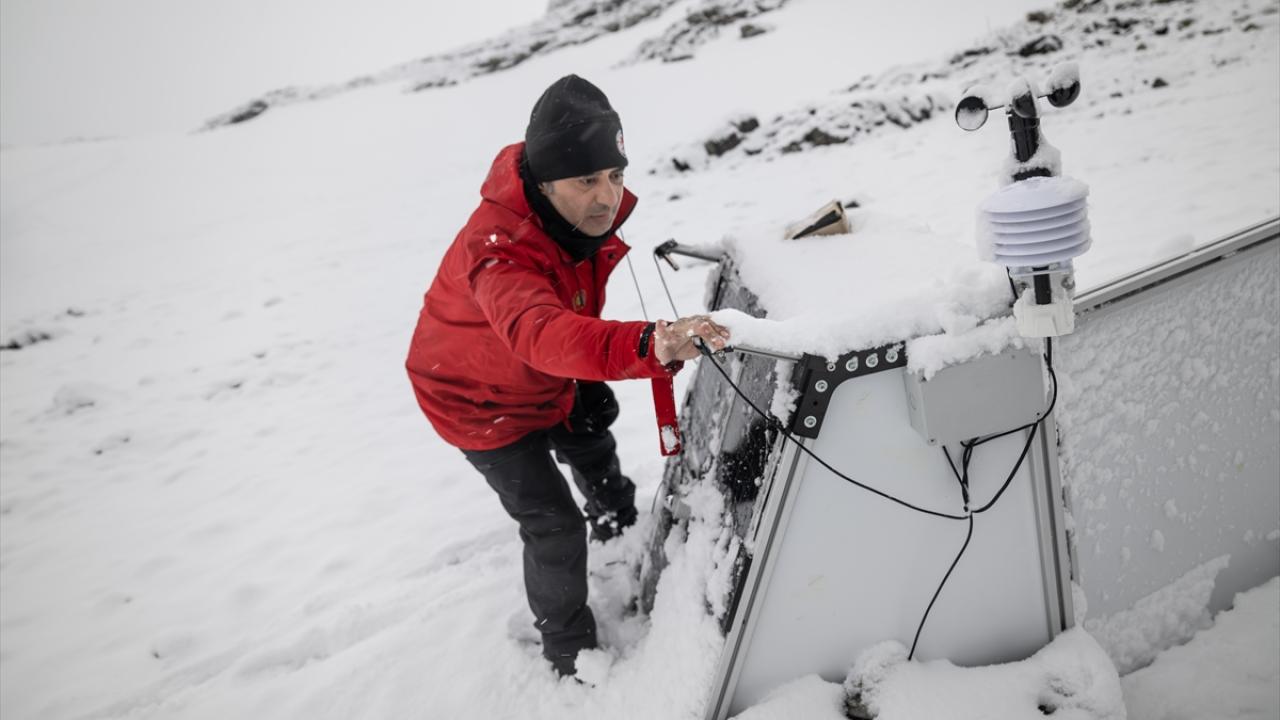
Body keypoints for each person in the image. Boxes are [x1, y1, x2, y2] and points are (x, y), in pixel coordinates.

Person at [405, 74, 731, 678]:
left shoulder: (571, 220)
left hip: (539, 373)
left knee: (590, 433)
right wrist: (646, 342)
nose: (607, 197)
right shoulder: (497, 249)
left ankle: (621, 533)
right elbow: (538, 331)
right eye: (588, 180)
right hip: (473, 397)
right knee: (552, 524)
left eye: (616, 176)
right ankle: (570, 656)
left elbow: (560, 322)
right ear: (547, 179)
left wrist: (587, 373)